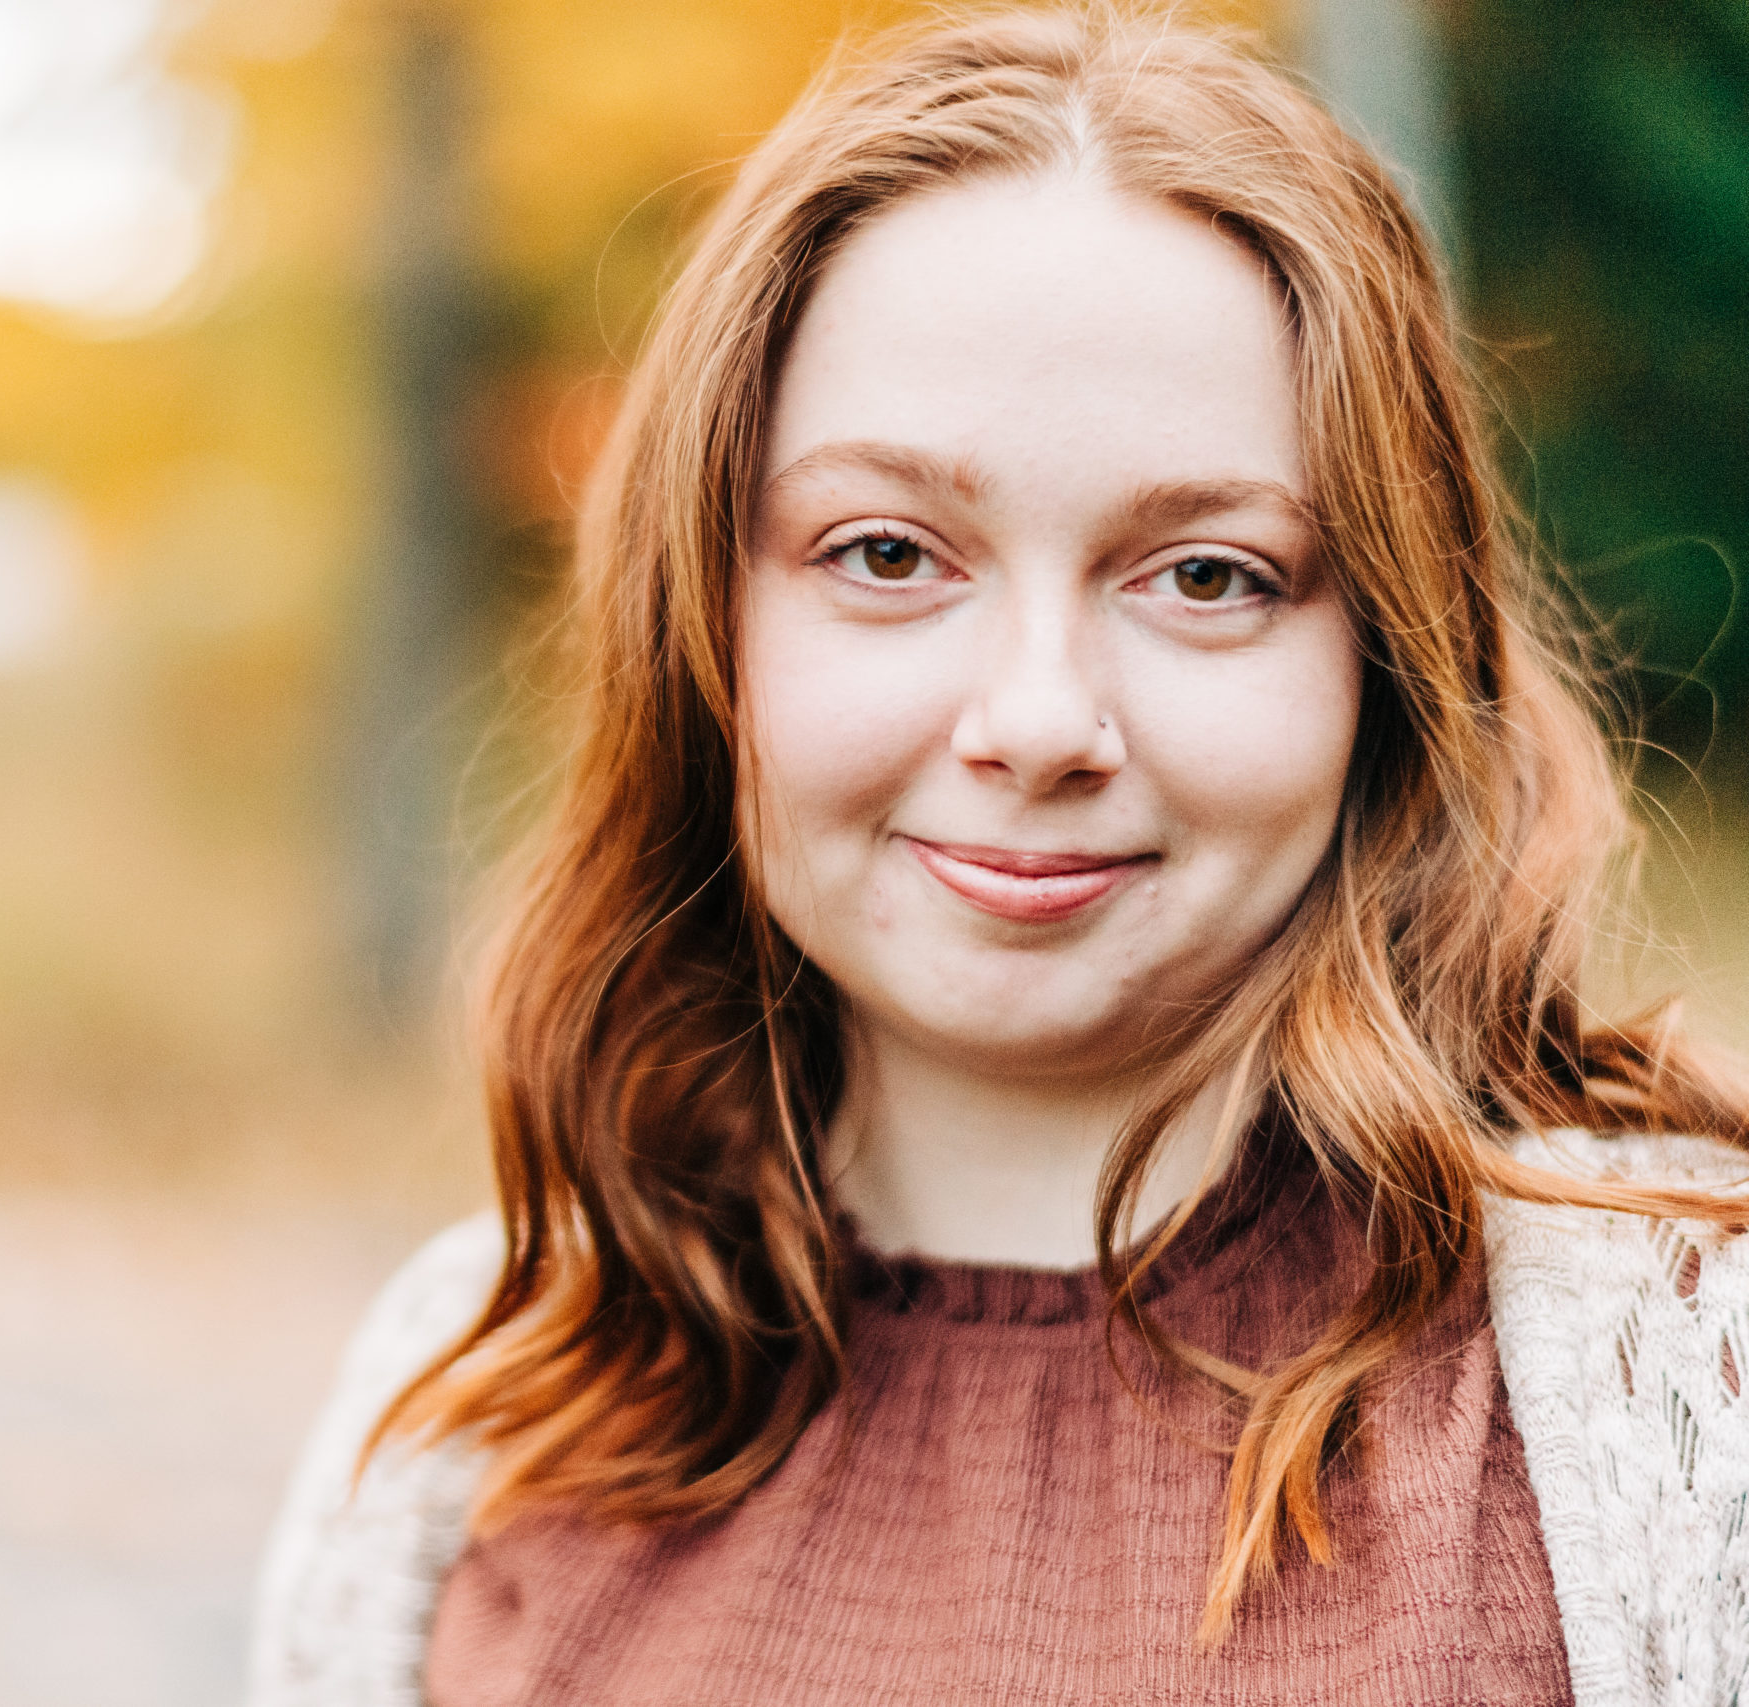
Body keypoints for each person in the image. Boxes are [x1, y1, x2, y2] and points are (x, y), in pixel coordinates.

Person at [251, 8, 1749, 1704]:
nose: (1038, 722)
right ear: (705, 629)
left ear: (1388, 666)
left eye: (1206, 576)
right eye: (887, 552)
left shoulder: (1687, 1381)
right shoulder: (473, 1418)